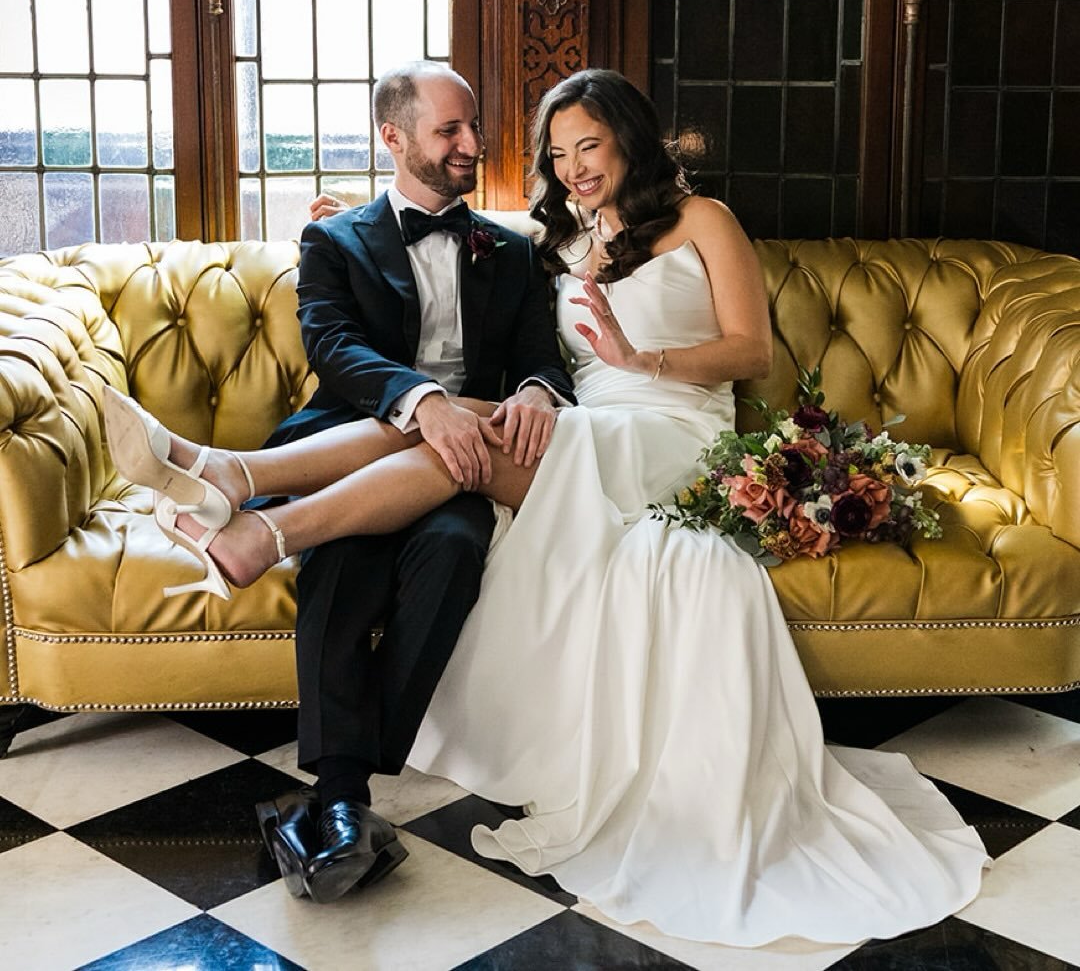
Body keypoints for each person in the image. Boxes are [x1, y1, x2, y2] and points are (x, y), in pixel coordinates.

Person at [105, 69, 988, 944]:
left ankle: (252, 504)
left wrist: (640, 361)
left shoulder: (704, 220)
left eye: (589, 147)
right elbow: (456, 282)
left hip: (669, 429)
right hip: (585, 428)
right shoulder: (550, 240)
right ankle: (238, 488)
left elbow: (750, 351)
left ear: (630, 140)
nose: (572, 168)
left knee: (461, 434)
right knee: (446, 423)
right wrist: (350, 216)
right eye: (558, 153)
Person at [106, 60, 574, 904]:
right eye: (450, 130)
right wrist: (420, 398)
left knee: (452, 557)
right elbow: (334, 348)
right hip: (346, 440)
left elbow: (543, 354)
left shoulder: (509, 251)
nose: (473, 143)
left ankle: (340, 780)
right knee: (344, 565)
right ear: (393, 139)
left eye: (474, 127)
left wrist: (538, 390)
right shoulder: (336, 239)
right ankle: (343, 797)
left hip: (458, 469)